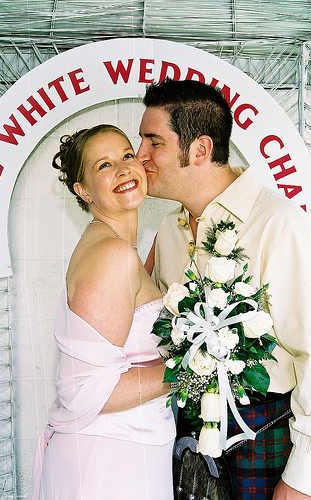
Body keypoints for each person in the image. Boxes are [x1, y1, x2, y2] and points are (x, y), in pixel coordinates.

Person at [136, 79, 311, 500]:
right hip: (186, 444)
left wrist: (302, 478)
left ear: (200, 149)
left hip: (265, 439)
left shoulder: (279, 223)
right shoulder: (168, 229)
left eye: (152, 141)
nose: (139, 156)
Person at [27, 124, 176, 500]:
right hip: (109, 460)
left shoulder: (119, 249)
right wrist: (196, 368)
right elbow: (87, 393)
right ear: (83, 190)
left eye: (127, 156)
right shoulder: (111, 255)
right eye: (104, 165)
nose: (124, 170)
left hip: (126, 451)